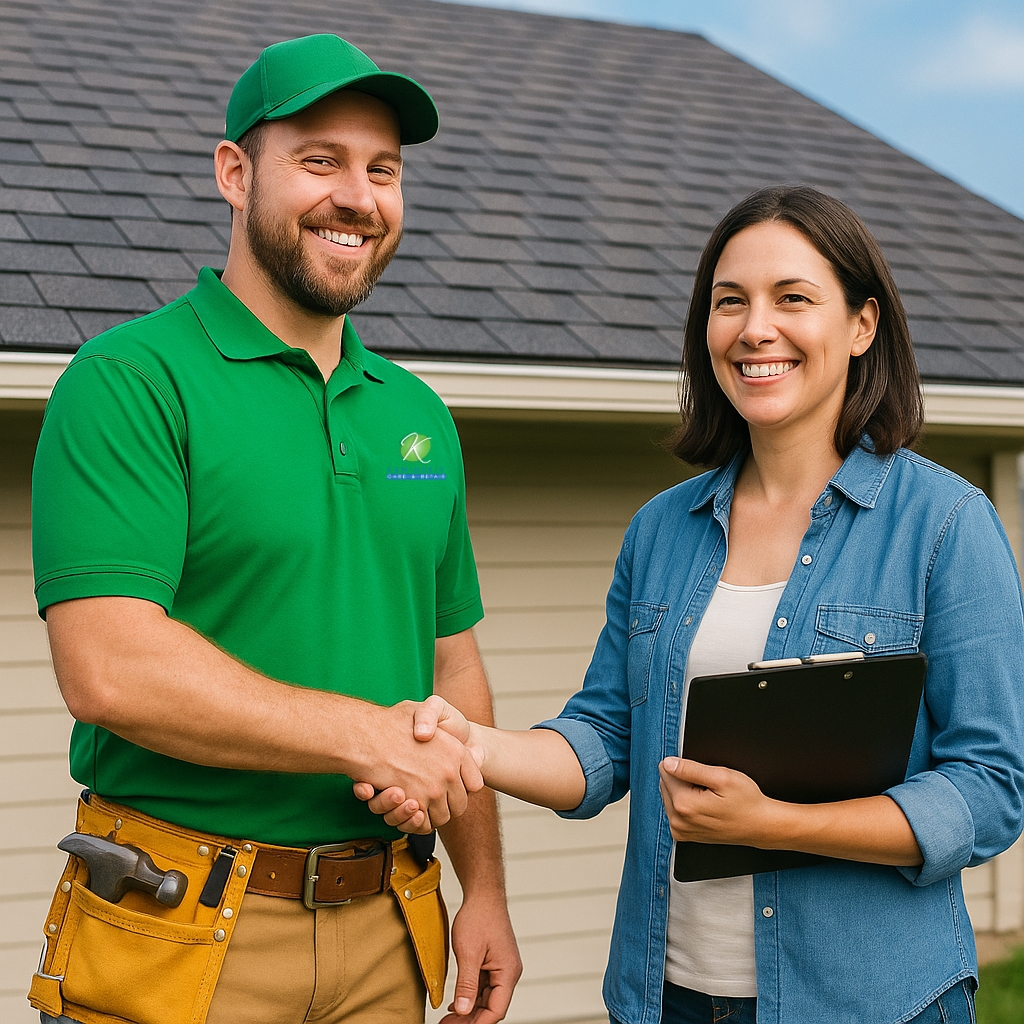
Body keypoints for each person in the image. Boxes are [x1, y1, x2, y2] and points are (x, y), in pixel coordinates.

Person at [358, 185, 1024, 1024]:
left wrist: (777, 824)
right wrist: (470, 744)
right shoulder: (662, 530)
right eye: (729, 301)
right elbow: (605, 740)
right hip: (667, 995)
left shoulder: (946, 525)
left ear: (862, 326)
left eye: (793, 298)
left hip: (869, 1001)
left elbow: (990, 788)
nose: (755, 328)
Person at [28, 34, 521, 1024]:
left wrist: (487, 891)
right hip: (177, 925)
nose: (358, 197)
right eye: (320, 160)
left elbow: (451, 665)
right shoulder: (130, 381)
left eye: (382, 170)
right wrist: (368, 740)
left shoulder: (416, 415)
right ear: (234, 173)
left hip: (390, 926)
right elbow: (110, 668)